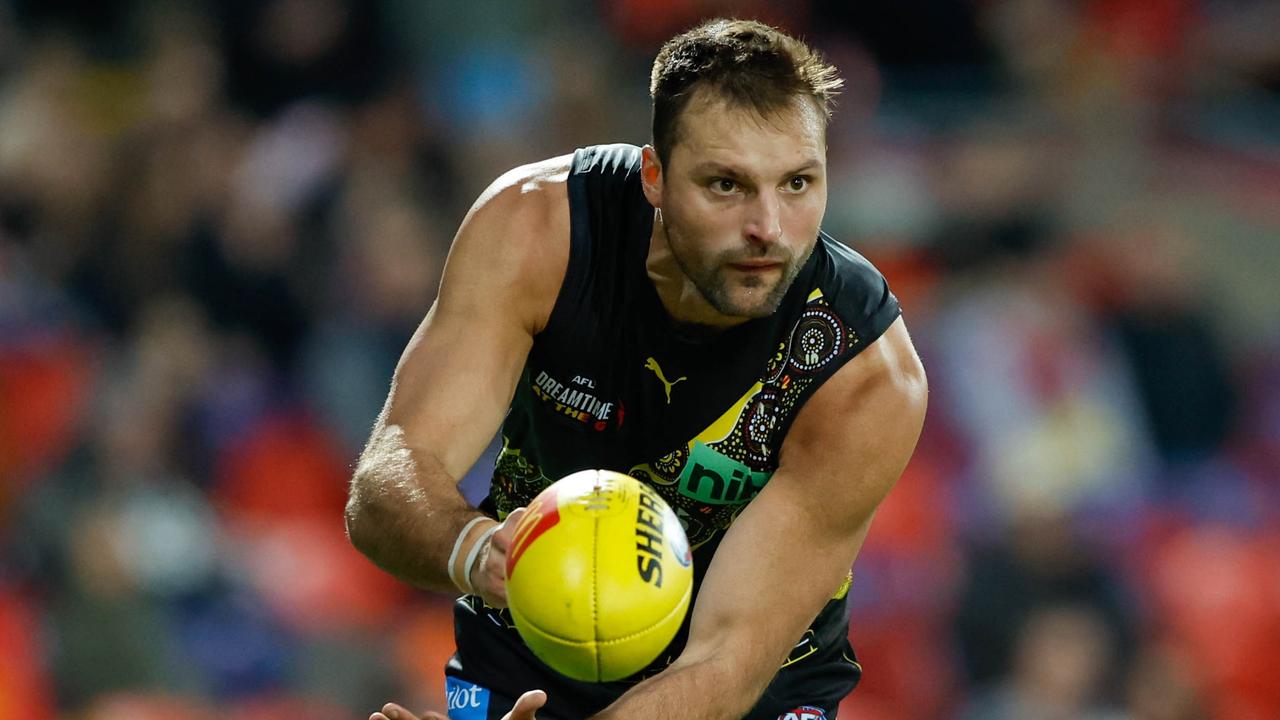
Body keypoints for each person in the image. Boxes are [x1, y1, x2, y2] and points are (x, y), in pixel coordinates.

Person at [345, 18, 927, 720]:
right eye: (725, 185)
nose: (769, 228)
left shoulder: (860, 372)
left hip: (749, 695)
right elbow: (387, 478)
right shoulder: (538, 231)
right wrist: (475, 551)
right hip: (528, 663)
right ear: (654, 175)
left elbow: (725, 665)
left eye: (798, 183)